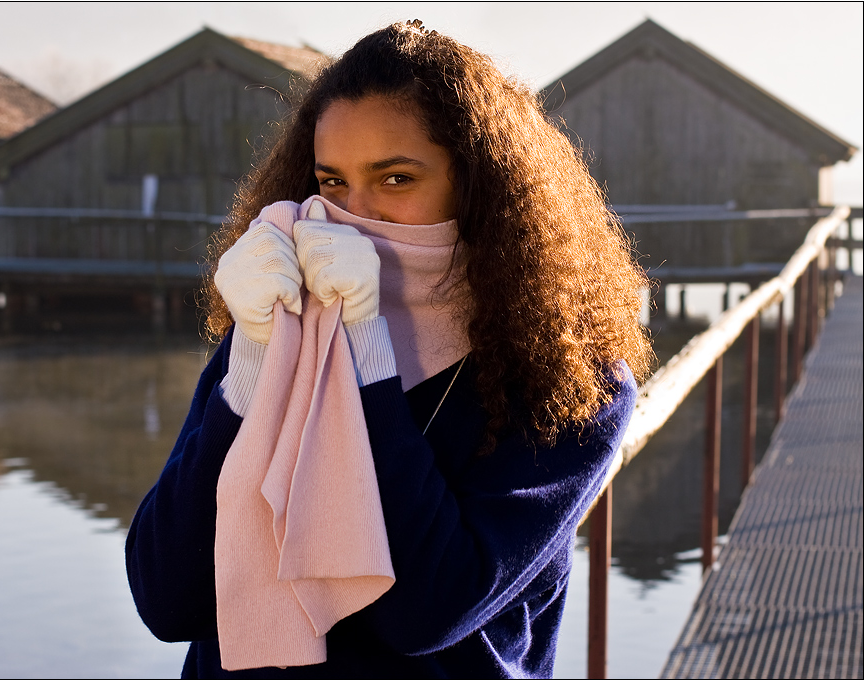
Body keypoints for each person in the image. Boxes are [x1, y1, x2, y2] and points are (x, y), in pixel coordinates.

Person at [126, 20, 653, 679]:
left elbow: (427, 610)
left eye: (396, 178)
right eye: (333, 182)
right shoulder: (279, 326)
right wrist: (252, 362)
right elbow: (165, 598)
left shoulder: (571, 383)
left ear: (477, 187)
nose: (357, 213)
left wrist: (367, 348)